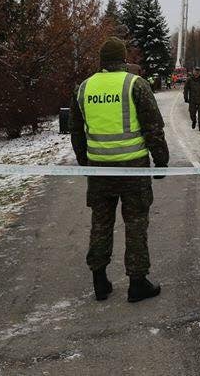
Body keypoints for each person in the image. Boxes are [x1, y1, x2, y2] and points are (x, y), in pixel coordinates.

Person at [70, 37, 169, 303]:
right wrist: (161, 161)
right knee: (135, 224)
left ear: (101, 61)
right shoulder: (135, 84)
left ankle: (99, 280)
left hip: (99, 170)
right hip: (133, 169)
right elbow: (153, 127)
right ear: (123, 59)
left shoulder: (84, 88)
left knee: (100, 223)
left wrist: (84, 162)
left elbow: (76, 131)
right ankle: (137, 282)